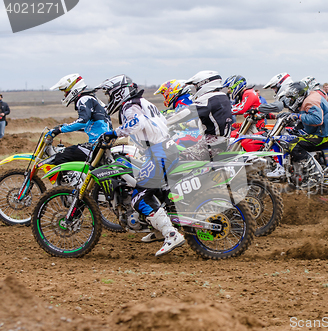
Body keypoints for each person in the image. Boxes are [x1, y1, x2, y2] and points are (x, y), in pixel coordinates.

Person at [97, 74, 185, 256]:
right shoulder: (144, 102)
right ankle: (157, 229)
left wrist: (114, 133)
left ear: (119, 92)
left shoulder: (129, 106)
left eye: (110, 94)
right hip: (165, 149)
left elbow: (137, 123)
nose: (109, 99)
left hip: (159, 152)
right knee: (157, 191)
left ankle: (171, 234)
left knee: (139, 196)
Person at [268, 81, 328, 188]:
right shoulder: (309, 97)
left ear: (298, 96)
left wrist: (298, 116)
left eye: (292, 98)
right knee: (294, 138)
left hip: (324, 135)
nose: (291, 101)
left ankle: (314, 175)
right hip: (321, 132)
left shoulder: (310, 101)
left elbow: (317, 119)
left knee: (294, 145)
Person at [48, 74, 111, 165]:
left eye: (65, 91)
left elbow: (83, 121)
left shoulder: (84, 99)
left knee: (60, 156)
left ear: (72, 88)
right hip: (102, 142)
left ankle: (68, 179)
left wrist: (59, 130)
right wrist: (67, 126)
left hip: (96, 145)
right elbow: (90, 125)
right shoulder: (90, 98)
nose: (65, 94)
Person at [179, 70, 233, 161]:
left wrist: (165, 121)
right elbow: (208, 121)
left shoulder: (209, 98)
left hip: (211, 145)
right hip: (219, 142)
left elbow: (185, 114)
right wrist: (185, 125)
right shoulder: (221, 97)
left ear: (204, 84)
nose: (195, 90)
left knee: (179, 159)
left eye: (196, 86)